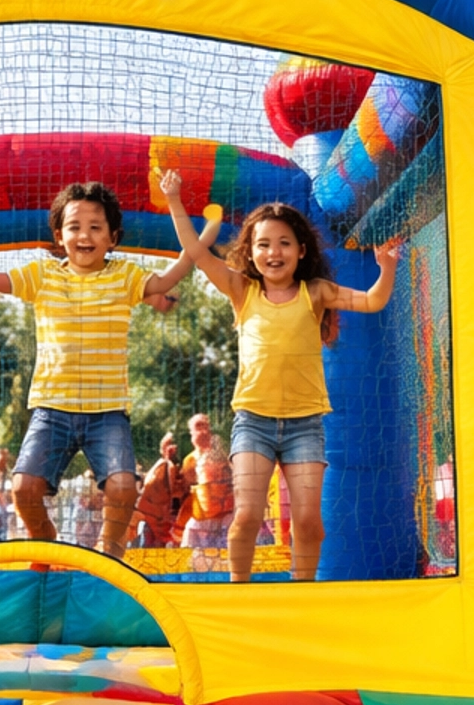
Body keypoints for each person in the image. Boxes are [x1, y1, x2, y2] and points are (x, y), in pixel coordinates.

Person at [0, 180, 214, 559]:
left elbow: (171, 276)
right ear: (59, 235)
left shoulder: (126, 277)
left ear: (113, 237)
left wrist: (179, 209)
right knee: (23, 488)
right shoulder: (42, 276)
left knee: (122, 487)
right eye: (75, 227)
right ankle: (44, 538)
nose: (85, 235)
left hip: (107, 411)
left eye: (96, 227)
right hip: (53, 409)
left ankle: (110, 549)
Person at [162, 174, 402, 583]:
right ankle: (240, 589)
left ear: (301, 250)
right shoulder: (242, 290)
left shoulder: (317, 292)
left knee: (308, 521)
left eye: (284, 243)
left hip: (304, 424)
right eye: (263, 244)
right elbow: (196, 252)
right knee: (248, 516)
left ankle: (302, 591)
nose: (274, 251)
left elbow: (373, 300)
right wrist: (174, 200)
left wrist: (387, 268)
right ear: (251, 252)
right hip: (253, 422)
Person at [175, 413, 234, 563]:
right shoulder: (189, 461)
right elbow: (186, 493)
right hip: (200, 516)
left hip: (225, 515)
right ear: (191, 433)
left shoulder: (223, 456)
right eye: (198, 427)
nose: (202, 432)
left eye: (205, 427)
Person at [131, 433, 185, 548]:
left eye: (173, 445)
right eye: (168, 445)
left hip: (158, 522)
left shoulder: (171, 469)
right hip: (148, 519)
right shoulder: (160, 467)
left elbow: (175, 494)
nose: (172, 448)